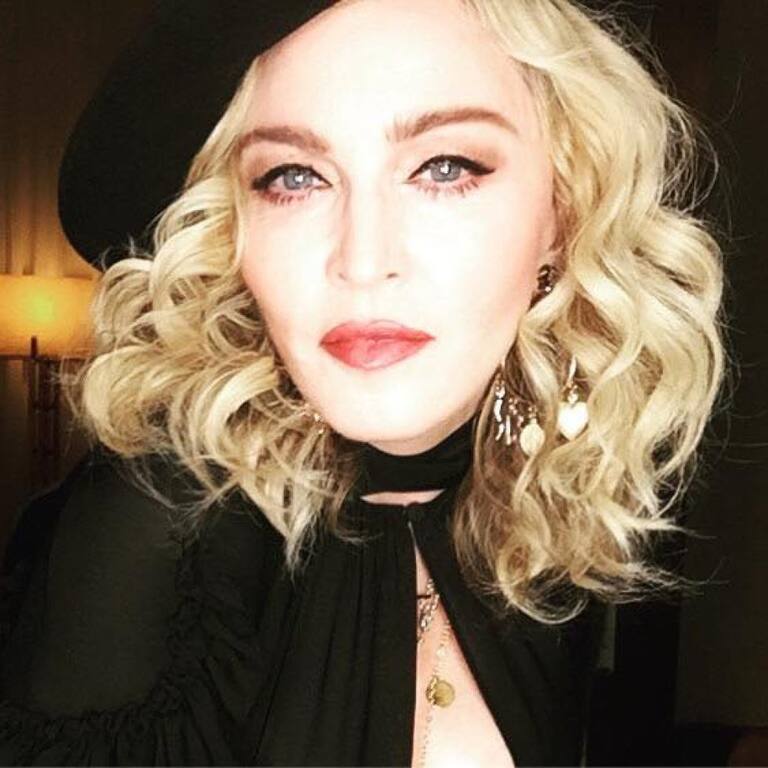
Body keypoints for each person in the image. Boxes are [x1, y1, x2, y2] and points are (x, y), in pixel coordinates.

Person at [0, 0, 725, 765]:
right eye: (295, 177)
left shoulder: (544, 513)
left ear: (562, 213)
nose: (363, 259)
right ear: (232, 231)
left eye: (444, 168)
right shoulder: (157, 526)